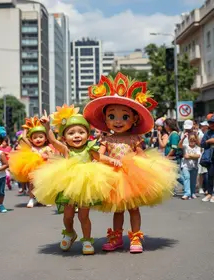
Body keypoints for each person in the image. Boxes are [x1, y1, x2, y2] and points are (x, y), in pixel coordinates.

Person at [83, 72, 177, 254]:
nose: (118, 121)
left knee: (134, 208)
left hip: (133, 176)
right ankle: (116, 237)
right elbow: (99, 156)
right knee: (117, 209)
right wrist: (107, 160)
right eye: (112, 116)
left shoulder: (135, 138)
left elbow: (141, 154)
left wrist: (151, 167)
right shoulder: (105, 139)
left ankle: (135, 237)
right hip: (113, 176)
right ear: (105, 119)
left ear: (134, 119)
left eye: (124, 117)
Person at [33, 105, 120, 255]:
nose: (77, 136)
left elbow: (100, 157)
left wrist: (112, 161)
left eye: (81, 132)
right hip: (69, 183)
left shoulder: (89, 148)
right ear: (64, 137)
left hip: (85, 183)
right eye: (71, 133)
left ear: (88, 134)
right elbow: (52, 141)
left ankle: (87, 240)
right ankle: (69, 232)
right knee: (68, 214)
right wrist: (47, 126)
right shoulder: (66, 150)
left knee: (83, 216)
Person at [9, 117, 55, 208]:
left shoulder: (47, 148)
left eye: (41, 137)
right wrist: (26, 129)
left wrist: (47, 156)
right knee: (32, 184)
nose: (38, 139)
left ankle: (43, 199)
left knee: (43, 185)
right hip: (33, 170)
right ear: (31, 139)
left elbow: (52, 157)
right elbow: (23, 137)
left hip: (44, 170)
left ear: (46, 138)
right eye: (35, 137)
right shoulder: (31, 147)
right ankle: (31, 198)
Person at [179, 133, 201, 200]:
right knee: (187, 178)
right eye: (191, 139)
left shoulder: (197, 148)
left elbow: (198, 156)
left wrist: (189, 156)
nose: (192, 141)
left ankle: (192, 193)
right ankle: (187, 194)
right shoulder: (185, 146)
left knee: (193, 181)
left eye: (194, 140)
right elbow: (179, 145)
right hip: (185, 166)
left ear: (195, 140)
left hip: (194, 166)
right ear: (188, 140)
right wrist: (183, 138)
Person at [200, 115, 214, 203]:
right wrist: (209, 141)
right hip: (210, 158)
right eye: (210, 123)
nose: (212, 124)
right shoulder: (207, 133)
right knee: (210, 175)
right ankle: (209, 193)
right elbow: (202, 144)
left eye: (213, 123)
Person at [197, 121, 209, 194]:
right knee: (201, 172)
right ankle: (200, 187)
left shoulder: (209, 133)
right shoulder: (200, 133)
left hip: (208, 154)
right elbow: (200, 144)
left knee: (208, 172)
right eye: (201, 125)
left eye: (203, 126)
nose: (202, 127)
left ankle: (208, 188)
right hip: (202, 155)